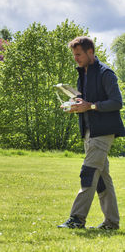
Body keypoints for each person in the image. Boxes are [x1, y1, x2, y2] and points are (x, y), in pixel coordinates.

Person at [58, 36, 125, 230]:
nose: (76, 58)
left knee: (88, 173)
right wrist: (75, 106)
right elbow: (85, 103)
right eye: (74, 55)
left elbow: (116, 102)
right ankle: (111, 223)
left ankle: (77, 219)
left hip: (103, 132)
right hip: (89, 131)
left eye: (78, 54)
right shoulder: (83, 74)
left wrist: (91, 106)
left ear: (90, 52)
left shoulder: (106, 74)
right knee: (102, 179)